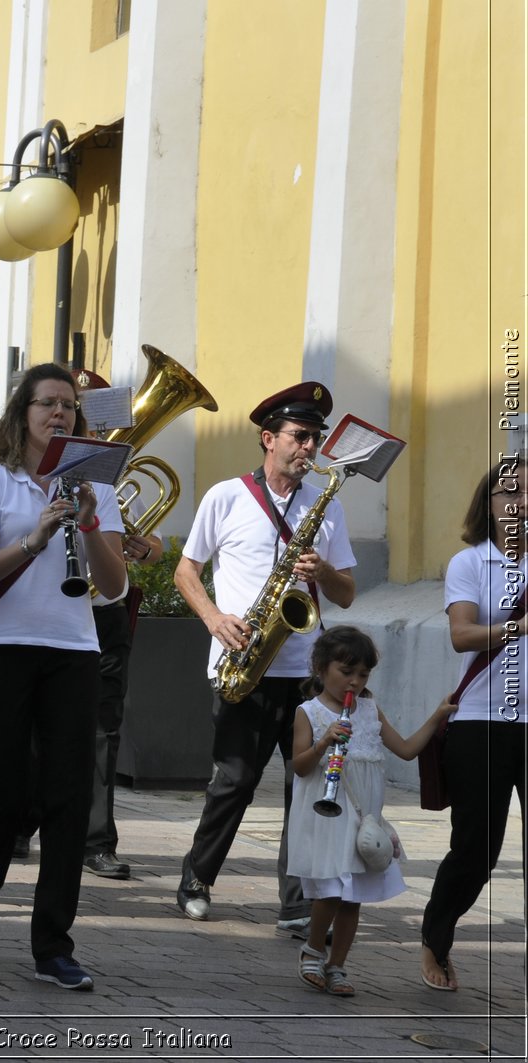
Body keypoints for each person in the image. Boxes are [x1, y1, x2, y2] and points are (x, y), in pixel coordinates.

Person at [0, 362, 126, 991]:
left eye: (69, 406)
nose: (60, 413)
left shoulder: (96, 488)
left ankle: (52, 945)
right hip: (1, 649)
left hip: (73, 650)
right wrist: (33, 539)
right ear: (21, 412)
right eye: (48, 403)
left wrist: (87, 523)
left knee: (68, 799)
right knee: (6, 795)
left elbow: (113, 588)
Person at [172, 382, 357, 934]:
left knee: (307, 783)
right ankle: (197, 878)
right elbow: (187, 572)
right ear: (268, 438)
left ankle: (296, 897)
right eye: (300, 438)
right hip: (245, 662)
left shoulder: (327, 509)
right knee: (235, 780)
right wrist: (213, 618)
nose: (309, 449)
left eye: (315, 440)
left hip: (306, 668)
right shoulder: (226, 496)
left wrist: (321, 572)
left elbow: (346, 593)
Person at [287, 626, 451, 996]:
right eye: (346, 672)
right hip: (326, 816)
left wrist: (438, 715)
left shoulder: (370, 710)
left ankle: (338, 966)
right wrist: (324, 741)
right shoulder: (308, 712)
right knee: (330, 889)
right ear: (320, 667)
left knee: (353, 895)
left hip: (364, 818)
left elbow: (407, 749)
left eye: (363, 674)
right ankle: (313, 950)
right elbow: (299, 766)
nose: (355, 682)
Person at [420, 458, 528, 992]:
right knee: (476, 851)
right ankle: (436, 938)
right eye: (511, 495)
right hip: (482, 723)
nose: (521, 504)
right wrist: (518, 624)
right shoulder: (470, 563)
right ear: (488, 503)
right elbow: (461, 636)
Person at [71, 368, 165, 880]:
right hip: (53, 616)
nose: (81, 419)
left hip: (102, 614)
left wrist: (139, 545)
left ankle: (96, 841)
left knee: (103, 732)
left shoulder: (111, 477)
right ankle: (20, 828)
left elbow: (150, 548)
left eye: (88, 410)